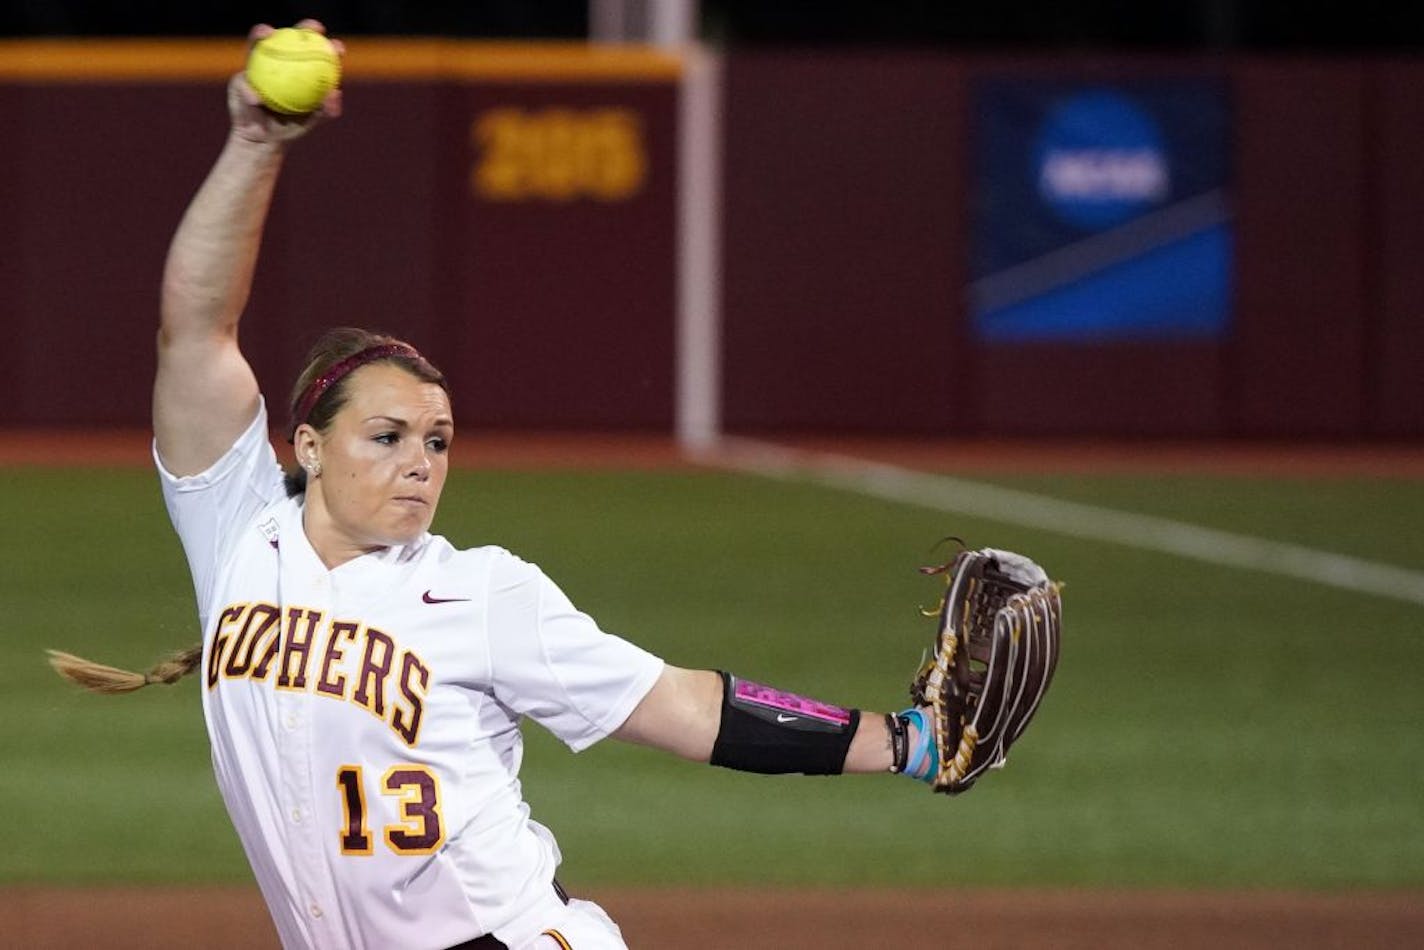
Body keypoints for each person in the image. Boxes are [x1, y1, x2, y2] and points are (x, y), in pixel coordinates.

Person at [48, 21, 942, 950]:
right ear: (307, 445)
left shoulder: (481, 591)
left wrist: (910, 741)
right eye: (387, 436)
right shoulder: (235, 534)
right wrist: (254, 142)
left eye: (437, 440)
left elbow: (680, 708)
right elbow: (194, 329)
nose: (420, 461)